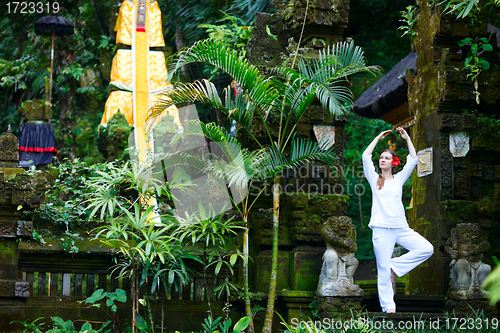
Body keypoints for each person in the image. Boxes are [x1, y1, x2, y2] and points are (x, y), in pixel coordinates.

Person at [362, 127, 433, 313]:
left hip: (401, 228)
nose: (382, 159)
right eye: (381, 158)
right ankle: (389, 308)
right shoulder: (374, 178)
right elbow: (365, 156)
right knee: (383, 272)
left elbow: (414, 159)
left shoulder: (399, 179)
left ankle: (395, 265)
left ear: (393, 163)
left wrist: (407, 138)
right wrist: (378, 137)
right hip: (381, 230)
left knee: (427, 249)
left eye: (386, 158)